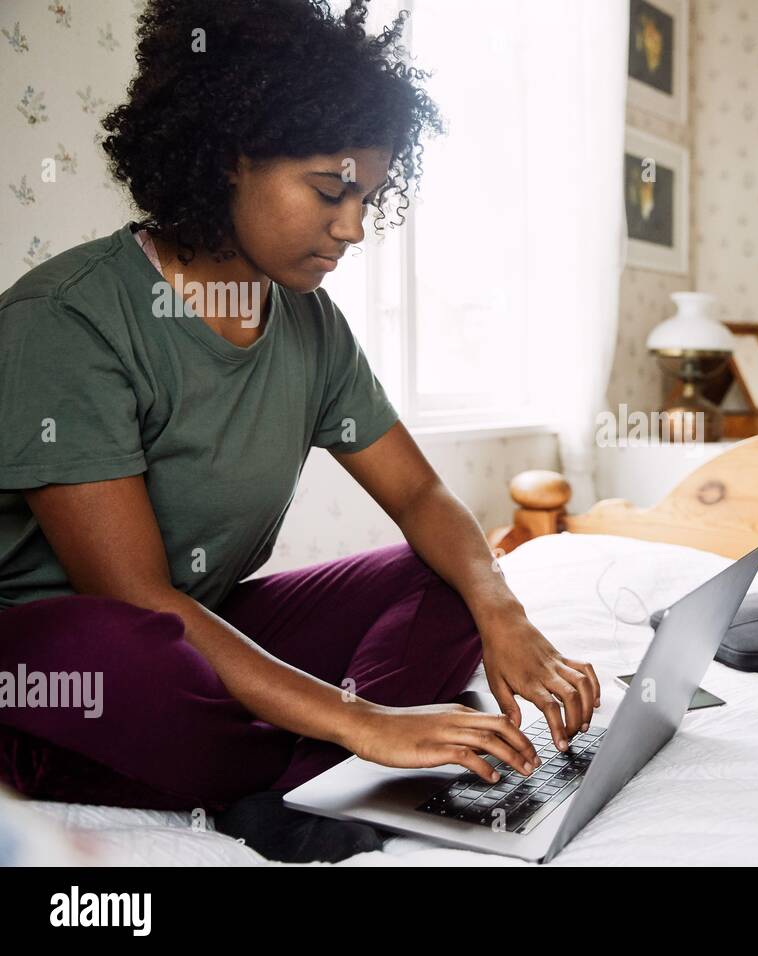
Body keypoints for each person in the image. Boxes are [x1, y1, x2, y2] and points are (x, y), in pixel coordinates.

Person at [0, 0, 599, 863]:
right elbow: (134, 595)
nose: (353, 227)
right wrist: (360, 716)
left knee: (442, 576)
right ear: (228, 158)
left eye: (369, 198)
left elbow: (422, 494)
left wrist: (500, 606)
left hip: (200, 625)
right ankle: (334, 754)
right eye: (330, 189)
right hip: (65, 655)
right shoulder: (69, 319)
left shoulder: (310, 325)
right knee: (130, 652)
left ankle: (308, 773)